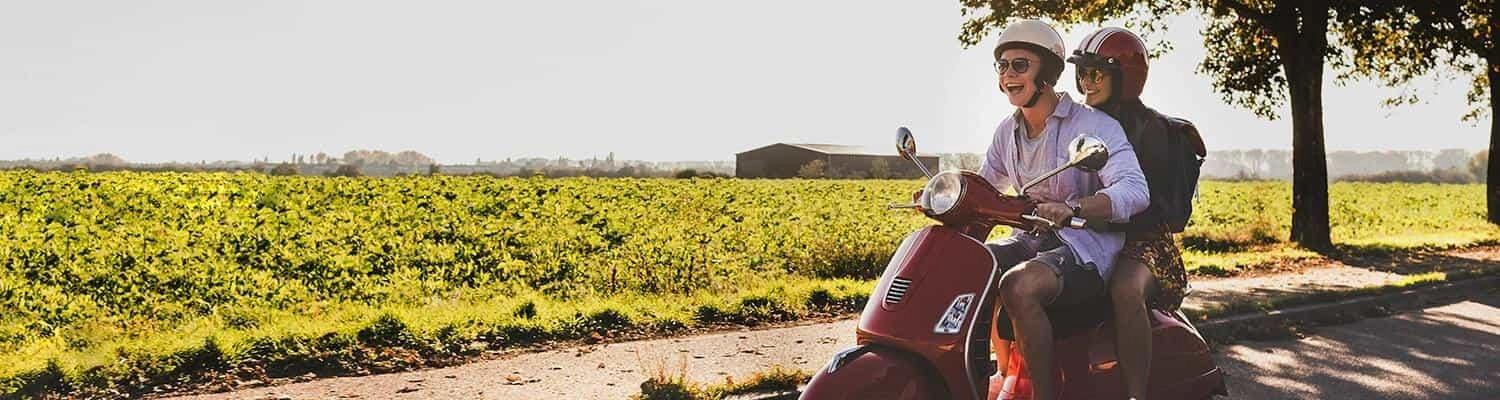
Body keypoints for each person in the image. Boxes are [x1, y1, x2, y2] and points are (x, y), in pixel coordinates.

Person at [977, 19, 1149, 400]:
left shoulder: (1092, 125)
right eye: (1002, 66)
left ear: (1048, 73)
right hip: (1032, 240)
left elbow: (1134, 191)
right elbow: (987, 185)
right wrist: (948, 194)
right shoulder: (1007, 131)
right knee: (972, 265)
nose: (1008, 74)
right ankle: (1000, 376)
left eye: (1020, 65)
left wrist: (1074, 207)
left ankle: (1043, 394)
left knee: (1018, 284)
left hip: (1084, 247)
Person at [1067, 27, 1204, 400]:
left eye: (1096, 74)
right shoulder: (1079, 123)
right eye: (1081, 74)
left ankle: (1135, 394)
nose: (1086, 84)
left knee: (1125, 290)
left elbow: (1154, 208)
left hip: (1143, 244)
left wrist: (1099, 213)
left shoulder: (1156, 132)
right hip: (1087, 234)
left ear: (1124, 77)